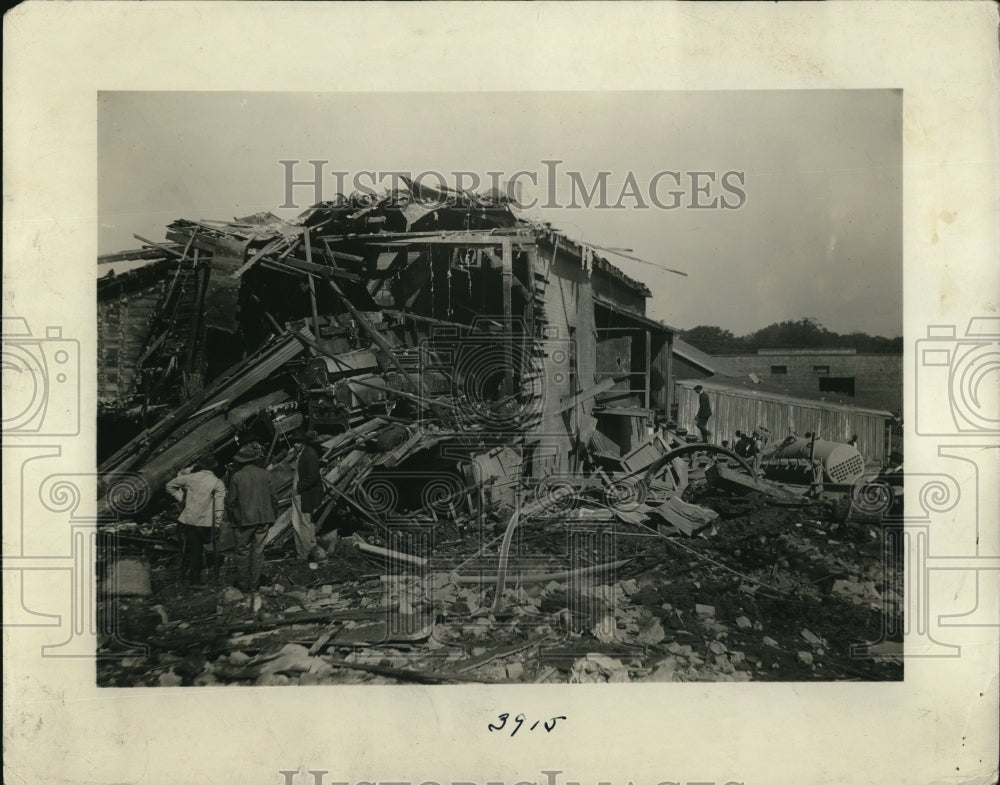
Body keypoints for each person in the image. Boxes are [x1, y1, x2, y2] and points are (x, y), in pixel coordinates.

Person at [225, 442, 278, 593]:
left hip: (244, 520)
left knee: (243, 552)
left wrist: (234, 518)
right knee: (258, 552)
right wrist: (273, 515)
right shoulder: (265, 474)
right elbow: (274, 498)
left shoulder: (237, 477)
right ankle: (254, 586)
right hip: (263, 519)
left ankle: (244, 585)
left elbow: (231, 502)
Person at [165, 454, 225, 585]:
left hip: (190, 519)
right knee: (206, 545)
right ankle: (210, 576)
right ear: (213, 467)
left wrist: (182, 499)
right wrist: (218, 523)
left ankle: (194, 580)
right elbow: (219, 506)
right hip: (207, 522)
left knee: (194, 549)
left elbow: (169, 486)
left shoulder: (190, 478)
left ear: (201, 466)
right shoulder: (217, 483)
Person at [290, 430, 328, 562]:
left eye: (298, 442)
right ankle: (308, 551)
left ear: (304, 443)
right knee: (306, 523)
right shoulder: (303, 453)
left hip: (304, 495)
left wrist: (299, 487)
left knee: (301, 523)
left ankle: (304, 555)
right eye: (294, 442)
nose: (295, 445)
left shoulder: (309, 454)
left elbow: (313, 477)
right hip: (301, 494)